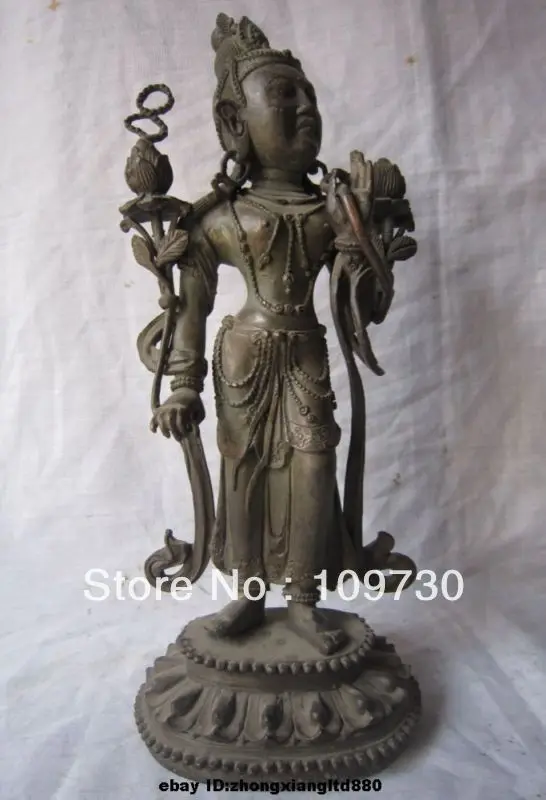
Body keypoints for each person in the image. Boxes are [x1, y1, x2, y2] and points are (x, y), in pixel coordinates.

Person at [148, 14, 416, 655]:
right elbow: (190, 309)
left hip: (305, 352)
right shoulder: (218, 216)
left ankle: (302, 598)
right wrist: (182, 385)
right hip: (242, 358)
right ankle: (247, 594)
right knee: (242, 471)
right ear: (234, 122)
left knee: (314, 463)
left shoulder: (331, 209)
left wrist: (368, 243)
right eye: (284, 96)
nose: (305, 110)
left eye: (310, 98)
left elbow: (363, 309)